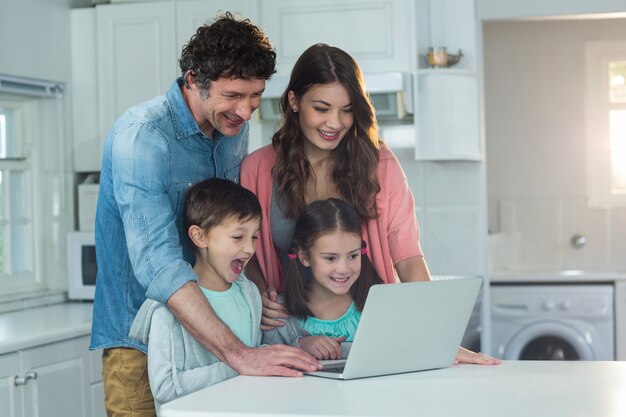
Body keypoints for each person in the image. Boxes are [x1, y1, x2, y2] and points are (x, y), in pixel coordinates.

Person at [90, 13, 318, 417]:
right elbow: (158, 263)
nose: (246, 111)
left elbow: (228, 226)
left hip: (214, 332)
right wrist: (242, 355)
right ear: (194, 79)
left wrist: (256, 293)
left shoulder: (231, 128)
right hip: (140, 343)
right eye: (234, 95)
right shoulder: (142, 136)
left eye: (255, 96)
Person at [241, 43, 500, 365]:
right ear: (294, 101)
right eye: (321, 108)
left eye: (347, 109)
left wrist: (439, 337)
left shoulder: (380, 164)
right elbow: (245, 252)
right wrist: (259, 293)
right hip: (291, 336)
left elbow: (407, 256)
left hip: (371, 332)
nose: (335, 123)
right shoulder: (257, 169)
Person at [130, 178, 266, 407]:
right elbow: (165, 387)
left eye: (254, 236)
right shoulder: (167, 308)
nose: (250, 248)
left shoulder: (249, 293)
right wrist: (241, 366)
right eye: (238, 237)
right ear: (200, 237)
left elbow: (256, 353)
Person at [262, 198, 383, 360]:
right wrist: (300, 345)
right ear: (304, 257)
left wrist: (342, 349)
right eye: (330, 258)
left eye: (353, 256)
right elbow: (263, 365)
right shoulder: (277, 315)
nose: (343, 269)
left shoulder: (376, 307)